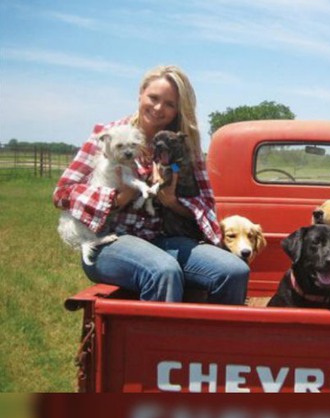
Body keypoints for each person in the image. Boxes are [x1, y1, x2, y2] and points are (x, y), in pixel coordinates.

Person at [53, 65, 249, 304]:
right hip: (107, 240)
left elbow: (207, 205)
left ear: (179, 110)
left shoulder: (182, 147)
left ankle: (218, 340)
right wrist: (117, 198)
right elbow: (62, 193)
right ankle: (160, 342)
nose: (158, 108)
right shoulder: (108, 136)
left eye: (169, 104)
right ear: (140, 94)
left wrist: (172, 201)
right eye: (153, 98)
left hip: (161, 239)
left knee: (234, 271)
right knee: (163, 271)